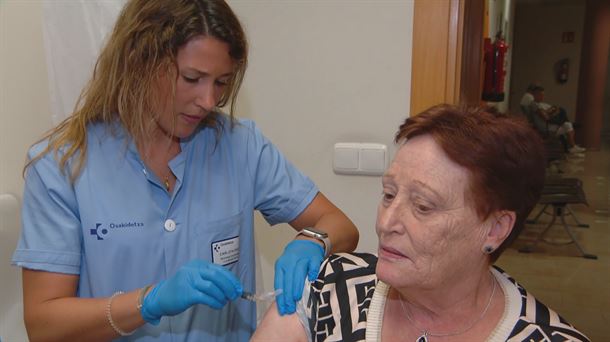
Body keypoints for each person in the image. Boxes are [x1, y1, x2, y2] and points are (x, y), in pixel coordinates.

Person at [11, 0, 359, 341]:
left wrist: (313, 240)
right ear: (139, 63)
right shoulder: (62, 166)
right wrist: (146, 302)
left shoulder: (240, 147)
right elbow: (44, 325)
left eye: (221, 82)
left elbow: (340, 226)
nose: (208, 100)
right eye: (192, 78)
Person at [252, 104, 590, 342]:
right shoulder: (326, 290)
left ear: (495, 229)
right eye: (388, 195)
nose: (387, 223)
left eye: (423, 206)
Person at [520, 83, 585, 154]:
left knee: (566, 123)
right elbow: (545, 117)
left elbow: (547, 113)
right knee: (568, 125)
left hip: (549, 124)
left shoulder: (539, 104)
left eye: (543, 95)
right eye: (541, 95)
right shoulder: (535, 105)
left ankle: (572, 146)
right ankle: (572, 146)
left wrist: (551, 112)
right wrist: (551, 113)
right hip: (547, 127)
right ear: (535, 95)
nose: (543, 97)